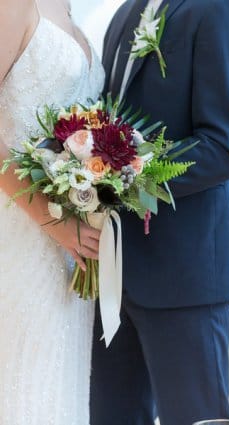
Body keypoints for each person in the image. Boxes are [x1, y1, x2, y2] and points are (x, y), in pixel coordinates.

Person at [91, 0, 229, 424]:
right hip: (116, 272)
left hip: (187, 271)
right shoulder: (126, 13)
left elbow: (224, 149)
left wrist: (122, 176)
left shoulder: (226, 11)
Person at [0, 0, 104, 423]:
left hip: (68, 245)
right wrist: (52, 218)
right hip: (20, 231)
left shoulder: (66, 7)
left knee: (59, 384)